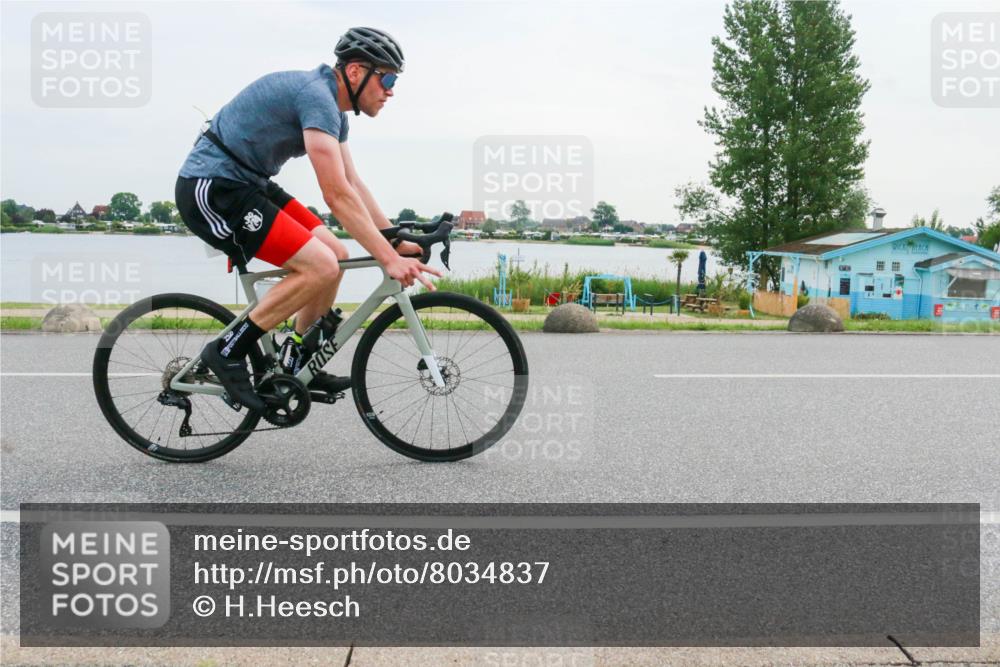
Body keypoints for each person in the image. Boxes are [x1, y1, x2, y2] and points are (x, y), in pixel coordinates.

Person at [174, 27, 441, 412]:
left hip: (249, 182)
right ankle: (227, 351)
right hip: (212, 187)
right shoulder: (316, 98)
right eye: (386, 78)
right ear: (354, 73)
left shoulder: (333, 111)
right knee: (319, 266)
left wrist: (392, 239)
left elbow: (352, 182)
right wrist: (387, 258)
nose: (391, 89)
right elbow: (335, 194)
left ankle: (297, 361)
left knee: (336, 254)